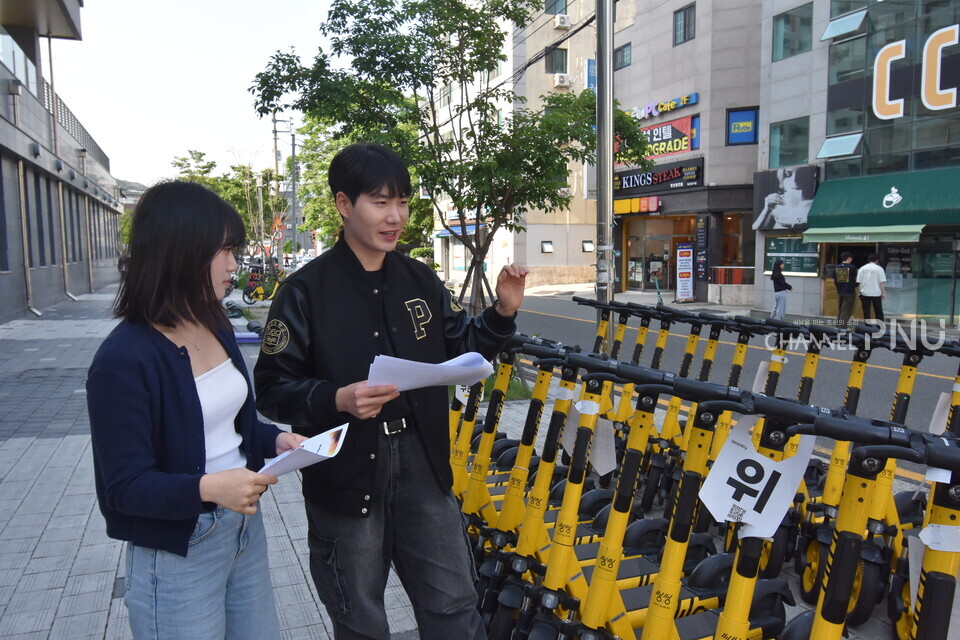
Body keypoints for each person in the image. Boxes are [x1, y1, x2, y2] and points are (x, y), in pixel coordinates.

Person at [254, 142, 528, 640]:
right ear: (343, 204)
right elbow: (271, 389)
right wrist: (337, 398)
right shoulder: (304, 291)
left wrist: (501, 313)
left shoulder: (419, 278)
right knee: (360, 617)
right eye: (380, 202)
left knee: (454, 603)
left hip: (423, 462)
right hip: (346, 468)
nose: (395, 216)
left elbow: (463, 348)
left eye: (402, 202)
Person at [86, 181, 307, 639]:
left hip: (243, 528)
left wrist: (275, 440)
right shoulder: (123, 360)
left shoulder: (215, 324)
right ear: (179, 251)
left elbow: (228, 424)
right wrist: (209, 488)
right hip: (178, 547)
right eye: (223, 250)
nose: (234, 264)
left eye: (235, 249)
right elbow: (125, 488)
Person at [752, 166, 816, 231]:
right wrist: (766, 210)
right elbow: (757, 229)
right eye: (788, 174)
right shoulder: (777, 201)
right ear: (781, 178)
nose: (794, 181)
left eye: (801, 175)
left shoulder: (814, 204)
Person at [857, 253, 886, 323]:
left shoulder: (862, 269)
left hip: (864, 293)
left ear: (868, 260)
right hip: (876, 293)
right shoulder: (879, 269)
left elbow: (859, 282)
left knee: (866, 312)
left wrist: (859, 292)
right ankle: (880, 327)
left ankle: (868, 328)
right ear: (877, 260)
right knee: (878, 311)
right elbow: (881, 282)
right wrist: (883, 292)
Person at [833, 252, 858, 329]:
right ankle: (842, 327)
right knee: (846, 310)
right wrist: (855, 285)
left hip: (840, 291)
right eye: (851, 258)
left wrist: (839, 288)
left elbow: (835, 280)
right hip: (849, 291)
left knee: (840, 309)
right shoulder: (852, 267)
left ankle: (838, 325)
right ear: (849, 258)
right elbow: (855, 279)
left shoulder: (836, 267)